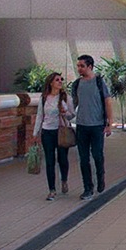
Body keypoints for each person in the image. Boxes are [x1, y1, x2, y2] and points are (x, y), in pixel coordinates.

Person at [71, 55, 114, 201]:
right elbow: (74, 104)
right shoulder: (77, 84)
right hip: (81, 126)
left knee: (97, 155)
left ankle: (100, 176)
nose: (79, 68)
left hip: (97, 126)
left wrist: (109, 123)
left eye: (82, 66)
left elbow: (108, 102)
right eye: (78, 66)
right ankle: (87, 188)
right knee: (83, 159)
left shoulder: (99, 82)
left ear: (90, 66)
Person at [33, 72, 75, 201]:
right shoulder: (44, 98)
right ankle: (52, 189)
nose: (60, 82)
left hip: (61, 131)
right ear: (51, 83)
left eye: (61, 79)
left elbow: (72, 115)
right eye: (57, 80)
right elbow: (40, 116)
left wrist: (65, 112)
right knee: (50, 161)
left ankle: (64, 180)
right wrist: (36, 133)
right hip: (47, 131)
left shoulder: (65, 98)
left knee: (62, 158)